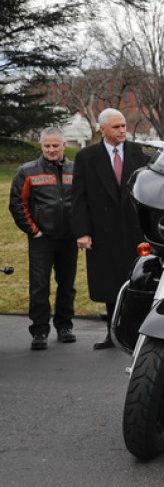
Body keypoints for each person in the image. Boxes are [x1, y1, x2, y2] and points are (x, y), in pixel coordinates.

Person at [72, 108, 150, 349]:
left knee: (138, 281)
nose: (122, 130)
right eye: (116, 127)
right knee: (109, 284)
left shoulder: (141, 153)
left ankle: (138, 335)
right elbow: (79, 197)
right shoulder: (87, 157)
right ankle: (113, 334)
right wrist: (82, 232)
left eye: (124, 125)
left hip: (135, 230)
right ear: (102, 129)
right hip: (102, 230)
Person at [9, 128, 78, 350]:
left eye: (55, 145)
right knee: (39, 287)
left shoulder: (75, 170)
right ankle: (39, 331)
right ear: (41, 146)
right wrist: (33, 231)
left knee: (67, 285)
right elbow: (18, 204)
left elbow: (82, 203)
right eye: (46, 145)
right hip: (42, 240)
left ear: (64, 145)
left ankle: (65, 326)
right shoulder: (26, 171)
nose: (51, 149)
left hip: (69, 239)